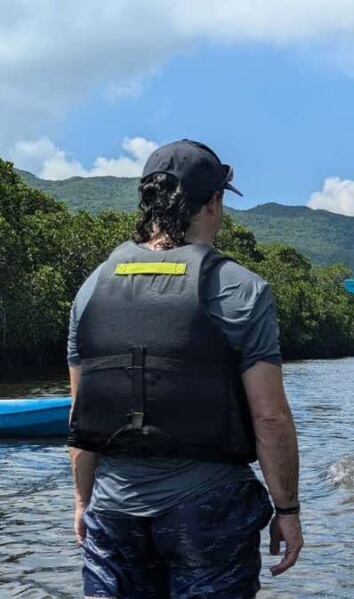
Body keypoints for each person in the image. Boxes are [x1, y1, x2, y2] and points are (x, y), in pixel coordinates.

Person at [67, 139, 303, 597]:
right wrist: (287, 510)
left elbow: (82, 414)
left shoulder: (91, 287)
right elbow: (270, 417)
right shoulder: (241, 289)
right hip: (208, 513)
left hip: (113, 512)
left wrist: (83, 502)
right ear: (213, 202)